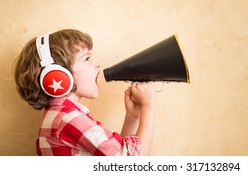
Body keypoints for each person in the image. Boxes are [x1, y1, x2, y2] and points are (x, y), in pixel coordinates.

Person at [14, 29, 156, 156]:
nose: (98, 63)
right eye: (87, 58)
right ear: (58, 76)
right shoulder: (69, 119)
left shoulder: (60, 116)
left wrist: (132, 116)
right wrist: (149, 106)